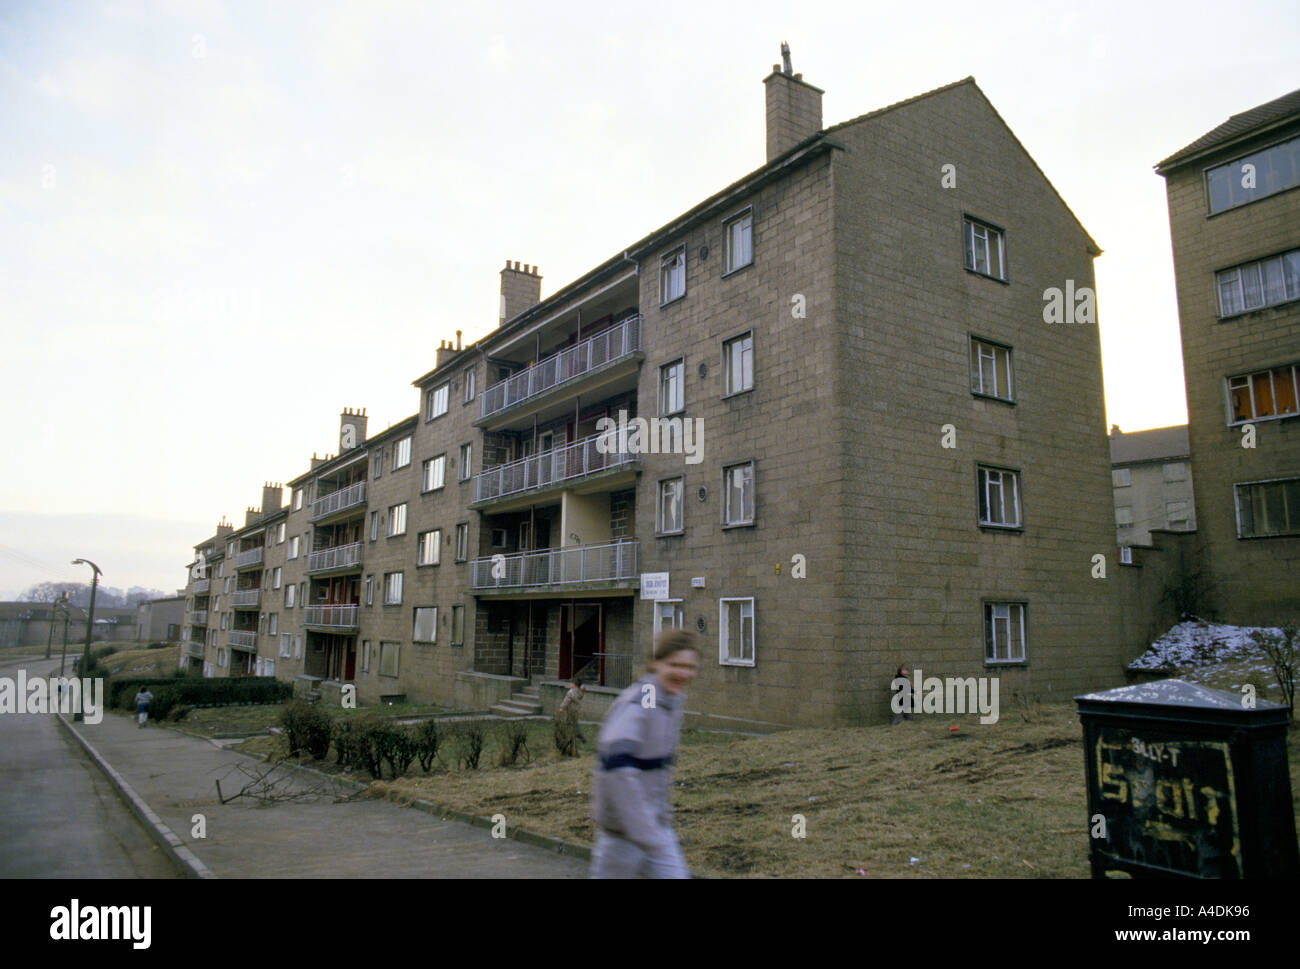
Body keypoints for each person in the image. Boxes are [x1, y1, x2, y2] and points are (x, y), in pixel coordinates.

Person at [590, 629, 699, 879]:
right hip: (623, 837)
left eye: (689, 667)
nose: (683, 673)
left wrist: (656, 828)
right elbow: (616, 770)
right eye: (674, 665)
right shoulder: (644, 701)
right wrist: (645, 833)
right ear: (655, 663)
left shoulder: (671, 700)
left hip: (656, 829)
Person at [554, 679, 586, 756]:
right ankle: (578, 734)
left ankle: (575, 734)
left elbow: (566, 701)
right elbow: (581, 695)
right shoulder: (579, 692)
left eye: (571, 683)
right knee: (574, 723)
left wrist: (561, 708)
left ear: (574, 685)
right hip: (576, 710)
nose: (570, 685)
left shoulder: (570, 692)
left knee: (569, 723)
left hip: (570, 710)